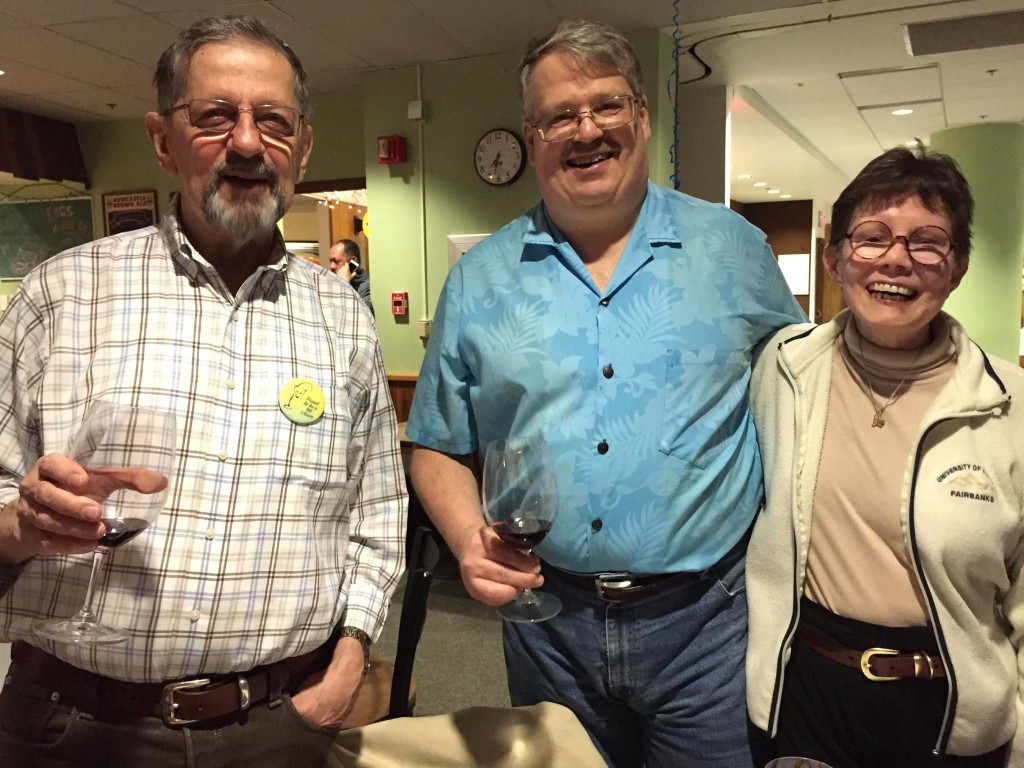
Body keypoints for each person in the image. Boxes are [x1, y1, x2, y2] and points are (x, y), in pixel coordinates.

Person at [0, 15, 406, 768]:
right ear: (162, 140)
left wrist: (349, 658)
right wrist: (21, 525)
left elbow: (377, 514)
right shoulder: (60, 295)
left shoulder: (344, 318)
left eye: (273, 120)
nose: (247, 142)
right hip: (73, 729)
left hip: (278, 730)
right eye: (215, 116)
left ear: (302, 148)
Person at [406, 19, 804, 768]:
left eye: (608, 105)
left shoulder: (735, 252)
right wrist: (466, 540)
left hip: (710, 624)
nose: (586, 130)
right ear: (532, 138)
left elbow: (804, 393)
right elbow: (436, 440)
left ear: (643, 117)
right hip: (548, 625)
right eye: (560, 115)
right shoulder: (479, 279)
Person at [746, 147, 1024, 767]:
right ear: (835, 259)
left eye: (927, 242)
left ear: (957, 269)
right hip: (809, 694)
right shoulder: (784, 369)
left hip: (953, 711)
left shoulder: (1010, 405)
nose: (897, 258)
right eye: (872, 237)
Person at [330, 238, 374, 315]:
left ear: (353, 260)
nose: (332, 266)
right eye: (330, 261)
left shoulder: (366, 287)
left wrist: (344, 285)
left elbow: (362, 317)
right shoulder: (333, 283)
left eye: (336, 261)